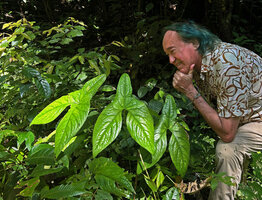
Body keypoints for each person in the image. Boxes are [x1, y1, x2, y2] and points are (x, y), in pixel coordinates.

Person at [162, 21, 262, 200]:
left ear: (194, 43)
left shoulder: (227, 64)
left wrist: (191, 92)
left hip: (258, 120)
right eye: (167, 55)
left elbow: (228, 133)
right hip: (249, 119)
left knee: (227, 149)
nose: (170, 60)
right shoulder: (201, 65)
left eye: (173, 50)